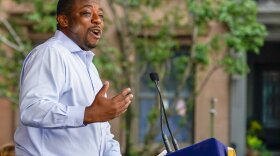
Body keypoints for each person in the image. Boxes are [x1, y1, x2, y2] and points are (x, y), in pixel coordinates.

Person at [14, 0, 133, 155]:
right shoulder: (51, 53)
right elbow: (32, 109)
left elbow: (101, 132)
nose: (97, 20)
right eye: (87, 13)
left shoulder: (89, 66)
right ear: (64, 20)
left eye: (101, 15)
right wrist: (87, 114)